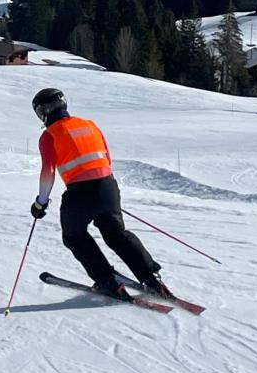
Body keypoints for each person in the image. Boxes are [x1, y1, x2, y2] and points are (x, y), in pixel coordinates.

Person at [29, 88, 171, 300]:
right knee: (116, 235)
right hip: (108, 187)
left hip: (79, 193)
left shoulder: (49, 135)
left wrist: (40, 203)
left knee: (74, 236)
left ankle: (106, 281)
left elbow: (48, 172)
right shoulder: (89, 124)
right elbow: (107, 158)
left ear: (44, 111)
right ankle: (151, 278)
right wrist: (105, 195)